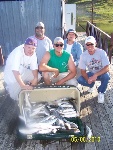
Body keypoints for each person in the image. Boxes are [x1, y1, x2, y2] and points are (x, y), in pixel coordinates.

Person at [77, 36, 110, 103]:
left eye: (91, 44)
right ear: (86, 45)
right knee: (80, 79)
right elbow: (83, 71)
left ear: (95, 43)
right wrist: (87, 79)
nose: (90, 46)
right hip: (91, 73)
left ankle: (101, 92)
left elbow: (107, 68)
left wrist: (96, 75)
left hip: (101, 73)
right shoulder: (83, 55)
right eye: (88, 44)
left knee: (107, 77)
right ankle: (91, 85)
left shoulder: (101, 52)